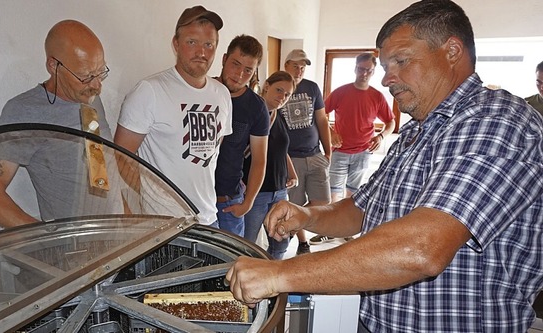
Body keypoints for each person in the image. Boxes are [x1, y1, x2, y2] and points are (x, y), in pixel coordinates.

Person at [226, 1, 543, 332]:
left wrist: (280, 274)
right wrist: (307, 216)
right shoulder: (416, 132)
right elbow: (360, 211)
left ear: (451, 51)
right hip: (377, 321)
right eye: (385, 67)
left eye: (401, 61)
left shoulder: (498, 123)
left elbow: (423, 248)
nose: (388, 78)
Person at [0, 20, 113, 228]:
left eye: (101, 72)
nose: (97, 85)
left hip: (117, 238)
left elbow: (108, 169)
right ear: (54, 65)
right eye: (86, 76)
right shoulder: (25, 112)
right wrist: (46, 242)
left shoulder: (89, 95)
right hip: (76, 247)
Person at [114, 6, 232, 227]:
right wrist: (155, 200)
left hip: (209, 219)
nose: (201, 52)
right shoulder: (149, 91)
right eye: (192, 42)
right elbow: (119, 157)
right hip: (165, 225)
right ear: (176, 44)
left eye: (209, 45)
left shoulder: (222, 94)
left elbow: (212, 153)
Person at [309, 53, 395, 245]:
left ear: (373, 72)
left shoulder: (377, 96)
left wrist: (381, 136)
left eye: (369, 70)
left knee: (354, 194)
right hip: (339, 152)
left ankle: (348, 229)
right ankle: (329, 230)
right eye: (361, 69)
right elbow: (320, 115)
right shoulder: (341, 92)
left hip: (363, 153)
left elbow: (390, 121)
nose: (364, 73)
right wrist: (331, 132)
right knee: (333, 193)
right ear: (355, 68)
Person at [213, 35, 270, 237]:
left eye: (248, 70)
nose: (239, 74)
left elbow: (259, 160)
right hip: (195, 199)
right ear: (224, 59)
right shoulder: (203, 91)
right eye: (235, 64)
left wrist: (248, 203)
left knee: (232, 263)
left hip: (229, 202)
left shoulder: (256, 106)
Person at [280, 49, 332, 254]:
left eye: (302, 67)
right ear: (286, 65)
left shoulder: (312, 88)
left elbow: (321, 120)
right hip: (292, 157)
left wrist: (328, 152)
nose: (299, 70)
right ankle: (302, 242)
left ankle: (294, 225)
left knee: (323, 201)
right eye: (295, 66)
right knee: (296, 201)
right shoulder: (279, 87)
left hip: (315, 154)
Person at [242, 71, 297, 259]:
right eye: (279, 90)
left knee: (281, 242)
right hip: (257, 191)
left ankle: (274, 279)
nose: (282, 97)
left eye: (287, 94)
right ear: (267, 87)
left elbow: (282, 149)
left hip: (279, 189)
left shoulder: (278, 115)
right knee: (247, 243)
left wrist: (292, 173)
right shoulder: (252, 113)